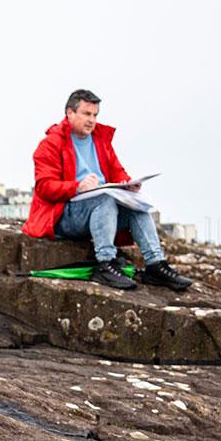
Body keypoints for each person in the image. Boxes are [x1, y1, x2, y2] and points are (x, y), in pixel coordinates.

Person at [22, 89, 193, 291]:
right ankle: (105, 263)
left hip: (99, 212)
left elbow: (117, 172)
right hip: (64, 216)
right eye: (86, 114)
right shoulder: (50, 144)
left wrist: (128, 184)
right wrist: (78, 187)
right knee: (105, 199)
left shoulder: (101, 141)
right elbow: (44, 187)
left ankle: (156, 264)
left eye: (95, 115)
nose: (91, 120)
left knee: (137, 206)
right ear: (70, 113)